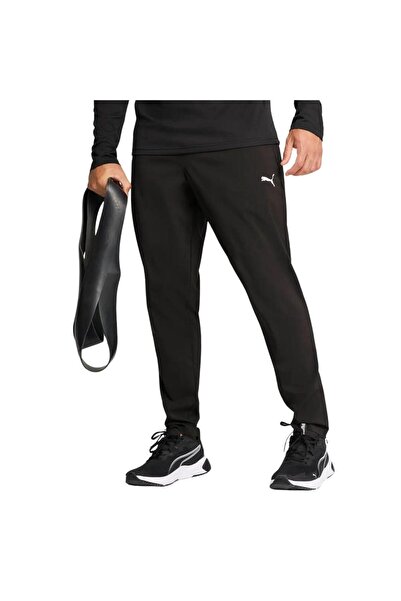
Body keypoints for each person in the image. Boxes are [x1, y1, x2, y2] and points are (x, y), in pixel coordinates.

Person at [88, 100, 334, 490]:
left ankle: (312, 432)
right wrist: (104, 152)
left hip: (241, 143)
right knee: (168, 296)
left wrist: (309, 118)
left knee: (272, 287)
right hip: (157, 149)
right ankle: (182, 436)